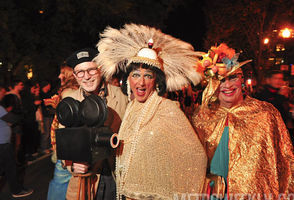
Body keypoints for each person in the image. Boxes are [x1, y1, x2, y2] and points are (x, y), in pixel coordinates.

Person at [94, 23, 207, 199]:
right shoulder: (131, 107)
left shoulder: (168, 109)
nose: (141, 82)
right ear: (128, 80)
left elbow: (195, 156)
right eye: (136, 75)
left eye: (148, 76)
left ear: (157, 82)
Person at [192, 43, 294, 199]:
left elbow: (286, 164)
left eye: (232, 77)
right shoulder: (202, 117)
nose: (227, 85)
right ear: (211, 84)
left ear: (241, 79)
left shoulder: (266, 114)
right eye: (220, 79)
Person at [48, 48, 128, 200]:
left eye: (91, 70)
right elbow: (64, 143)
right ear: (75, 76)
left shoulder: (122, 96)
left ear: (100, 70)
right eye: (80, 72)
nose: (86, 77)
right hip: (87, 182)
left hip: (118, 176)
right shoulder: (69, 103)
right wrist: (72, 165)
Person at [47, 64, 79, 200]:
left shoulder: (68, 93)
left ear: (70, 74)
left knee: (59, 184)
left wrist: (60, 151)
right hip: (70, 145)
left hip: (66, 147)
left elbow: (65, 124)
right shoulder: (74, 91)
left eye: (62, 73)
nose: (59, 76)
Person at [0, 85, 34, 198]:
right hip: (3, 143)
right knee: (11, 168)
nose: (3, 95)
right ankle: (16, 190)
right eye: (2, 92)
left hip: (2, 142)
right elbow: (12, 119)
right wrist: (20, 115)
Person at [5, 80, 25, 164]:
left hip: (16, 121)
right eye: (21, 84)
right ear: (16, 85)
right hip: (12, 122)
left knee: (17, 143)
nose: (22, 86)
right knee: (13, 142)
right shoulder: (9, 95)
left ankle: (15, 160)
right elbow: (10, 109)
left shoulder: (18, 94)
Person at [39, 80, 55, 154]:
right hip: (45, 115)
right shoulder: (41, 94)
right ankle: (44, 147)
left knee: (51, 131)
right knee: (46, 132)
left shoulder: (49, 93)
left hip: (50, 114)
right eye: (48, 85)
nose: (49, 87)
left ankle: (49, 146)